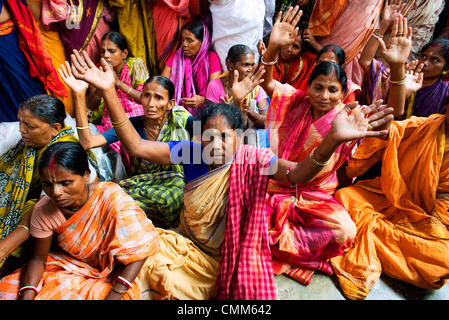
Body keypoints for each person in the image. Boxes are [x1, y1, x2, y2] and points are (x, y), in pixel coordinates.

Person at [68, 46, 394, 299]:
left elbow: (296, 176)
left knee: (159, 278)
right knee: (127, 246)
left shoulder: (252, 158)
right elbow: (137, 147)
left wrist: (332, 140)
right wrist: (110, 92)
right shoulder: (192, 152)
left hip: (218, 262)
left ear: (239, 138)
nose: (217, 142)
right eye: (209, 135)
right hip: (183, 243)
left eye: (224, 136)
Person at [258, 7, 409, 285]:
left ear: (343, 92)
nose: (324, 96)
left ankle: (278, 244)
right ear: (308, 87)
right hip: (278, 184)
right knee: (249, 217)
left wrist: (398, 69)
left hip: (316, 196)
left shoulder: (346, 118)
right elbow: (266, 82)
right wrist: (272, 49)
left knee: (344, 232)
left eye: (332, 90)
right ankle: (281, 243)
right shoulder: (294, 99)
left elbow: (392, 114)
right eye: (318, 88)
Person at [0, 141, 159, 300]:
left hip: (121, 270)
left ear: (86, 175)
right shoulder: (44, 210)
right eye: (48, 184)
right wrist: (27, 294)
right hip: (77, 267)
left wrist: (114, 295)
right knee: (7, 289)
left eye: (65, 183)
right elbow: (37, 259)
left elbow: (140, 251)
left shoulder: (111, 198)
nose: (56, 192)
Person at [330, 98, 449, 300]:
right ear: (447, 106)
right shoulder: (426, 125)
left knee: (442, 262)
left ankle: (370, 232)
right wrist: (384, 125)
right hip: (391, 195)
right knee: (345, 195)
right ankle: (383, 243)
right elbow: (392, 131)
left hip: (430, 218)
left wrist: (426, 222)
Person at [59, 59, 193, 229]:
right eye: (146, 96)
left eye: (158, 98)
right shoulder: (131, 125)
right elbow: (88, 142)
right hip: (141, 187)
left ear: (170, 104)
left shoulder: (182, 119)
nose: (151, 103)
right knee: (112, 203)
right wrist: (78, 95)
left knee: (171, 197)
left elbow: (206, 142)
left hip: (175, 187)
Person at [0, 94, 98, 277]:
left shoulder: (62, 153)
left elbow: (48, 202)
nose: (21, 130)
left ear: (55, 129)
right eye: (20, 122)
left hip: (56, 213)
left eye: (29, 126)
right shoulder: (30, 145)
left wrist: (6, 246)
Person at [360, 3, 449, 118]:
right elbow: (365, 61)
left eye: (435, 60)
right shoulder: (397, 76)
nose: (425, 63)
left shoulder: (445, 93)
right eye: (424, 56)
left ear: (446, 69)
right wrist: (383, 25)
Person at [87, 32, 149, 168]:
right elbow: (91, 106)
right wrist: (99, 87)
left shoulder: (135, 65)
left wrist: (118, 83)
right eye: (103, 51)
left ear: (124, 53)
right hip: (109, 120)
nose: (106, 55)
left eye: (111, 51)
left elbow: (145, 99)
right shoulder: (98, 70)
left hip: (134, 117)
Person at [161, 20, 222, 116]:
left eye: (190, 40)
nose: (184, 44)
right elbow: (162, 84)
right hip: (178, 111)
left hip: (204, 111)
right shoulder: (177, 57)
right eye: (183, 40)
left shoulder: (211, 58)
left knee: (196, 127)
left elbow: (215, 92)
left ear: (203, 42)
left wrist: (202, 100)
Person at [206, 44, 269, 131]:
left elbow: (266, 123)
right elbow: (209, 122)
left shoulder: (256, 89)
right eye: (245, 65)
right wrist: (228, 110)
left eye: (252, 65)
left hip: (249, 139)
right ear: (230, 64)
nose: (250, 69)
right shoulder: (215, 86)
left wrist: (250, 113)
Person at [258, 28, 321, 93]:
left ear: (302, 51)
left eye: (295, 47)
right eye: (287, 43)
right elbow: (265, 86)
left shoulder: (308, 60)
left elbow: (328, 59)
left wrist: (315, 44)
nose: (288, 49)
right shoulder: (272, 57)